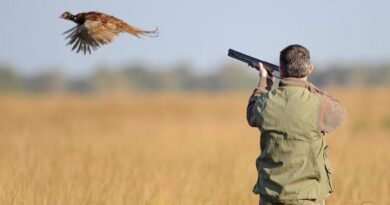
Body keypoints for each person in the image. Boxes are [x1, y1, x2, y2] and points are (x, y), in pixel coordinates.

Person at [246, 44, 346, 205]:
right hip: (307, 197)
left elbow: (251, 114)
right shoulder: (319, 103)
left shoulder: (265, 102)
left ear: (282, 70)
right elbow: (340, 113)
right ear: (309, 70)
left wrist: (264, 81)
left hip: (271, 197)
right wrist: (311, 88)